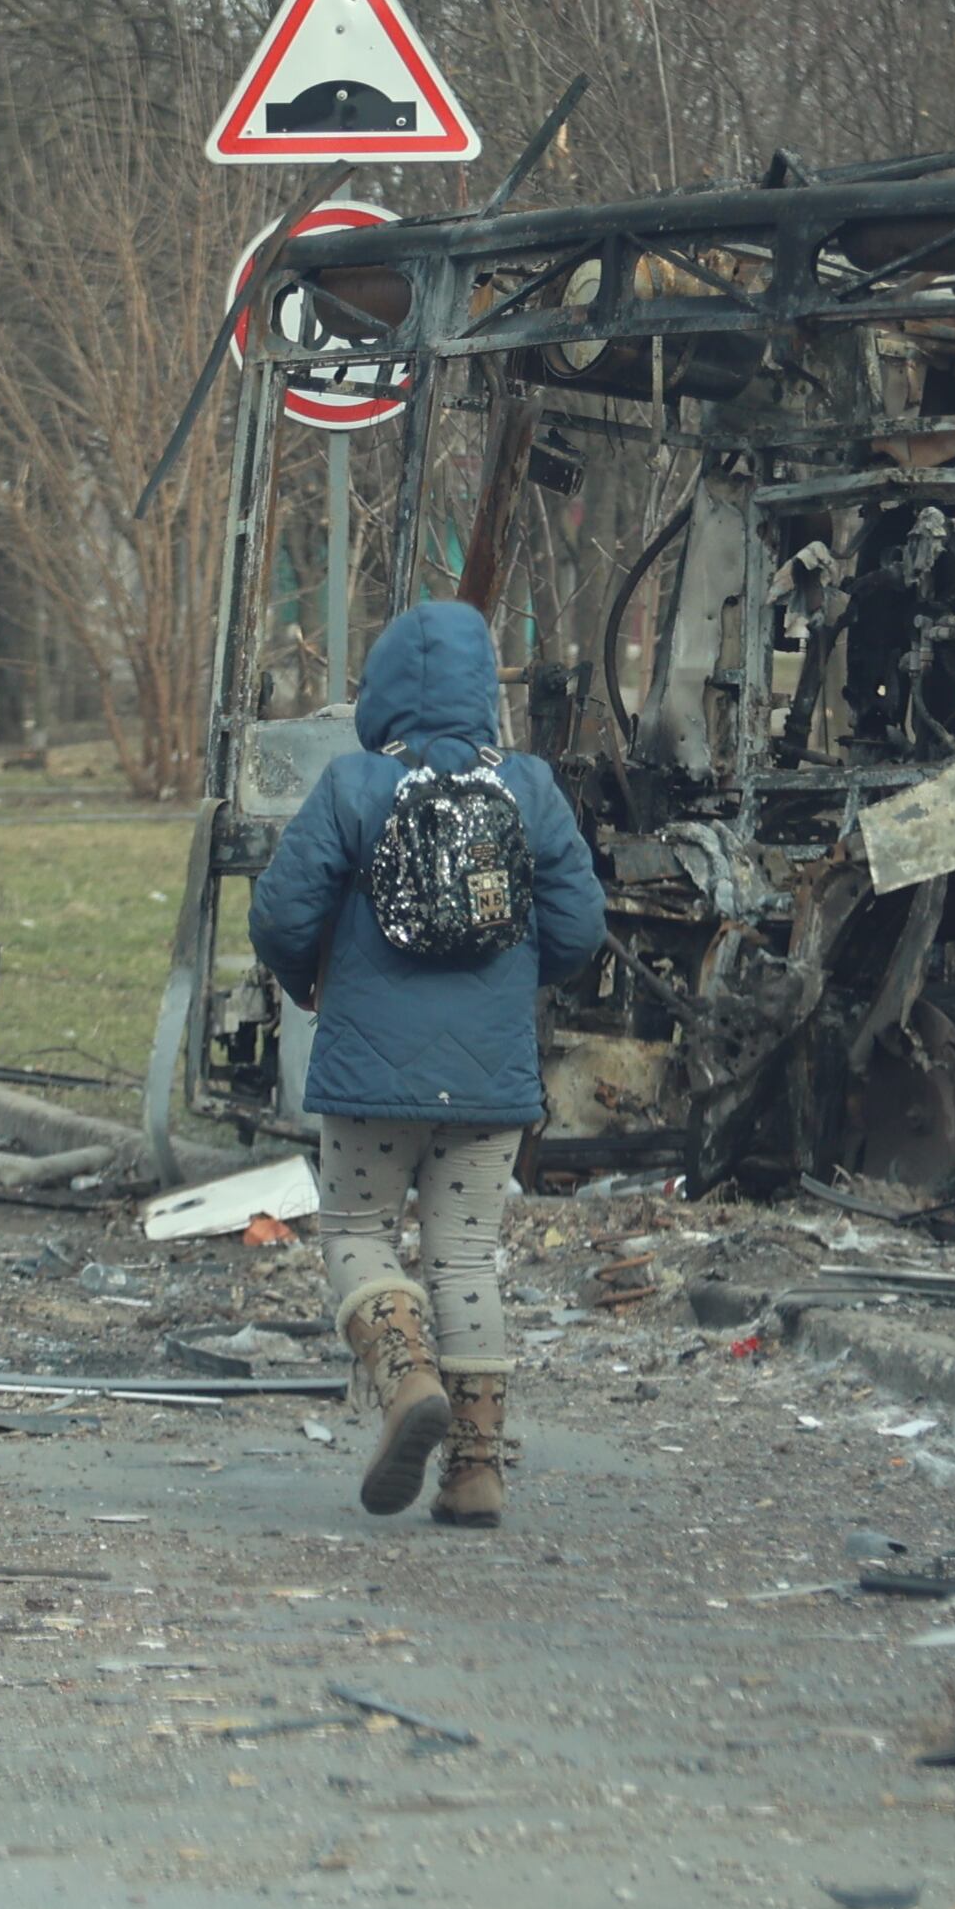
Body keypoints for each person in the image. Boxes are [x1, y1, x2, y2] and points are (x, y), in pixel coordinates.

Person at [248, 599, 603, 1527]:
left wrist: (305, 982)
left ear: (379, 691)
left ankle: (405, 1380)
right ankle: (478, 1466)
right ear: (485, 691)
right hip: (490, 1083)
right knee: (466, 1258)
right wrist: (517, 978)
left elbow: (282, 914)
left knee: (359, 1228)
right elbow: (581, 927)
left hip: (369, 1076)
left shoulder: (355, 786)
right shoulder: (527, 787)